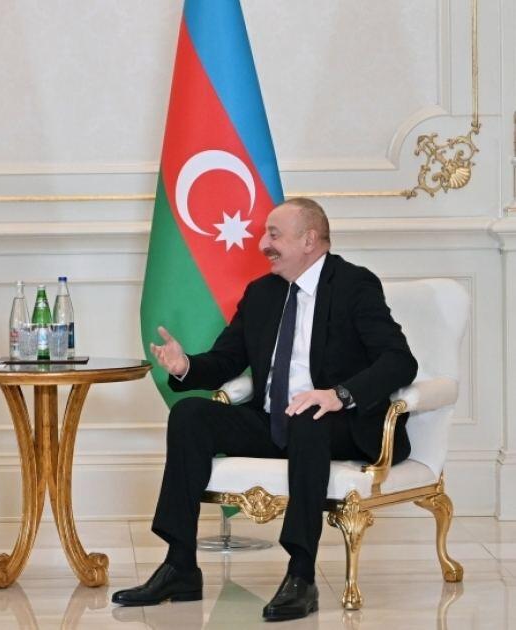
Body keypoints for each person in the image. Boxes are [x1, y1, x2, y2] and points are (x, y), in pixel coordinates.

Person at [112, 198, 417, 621]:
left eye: (273, 235)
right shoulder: (262, 293)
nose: (262, 245)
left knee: (309, 418)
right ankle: (180, 566)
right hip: (274, 422)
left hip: (338, 424)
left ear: (309, 240)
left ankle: (301, 575)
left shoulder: (354, 284)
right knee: (190, 415)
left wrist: (338, 394)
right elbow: (226, 359)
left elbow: (399, 360)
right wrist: (185, 367)